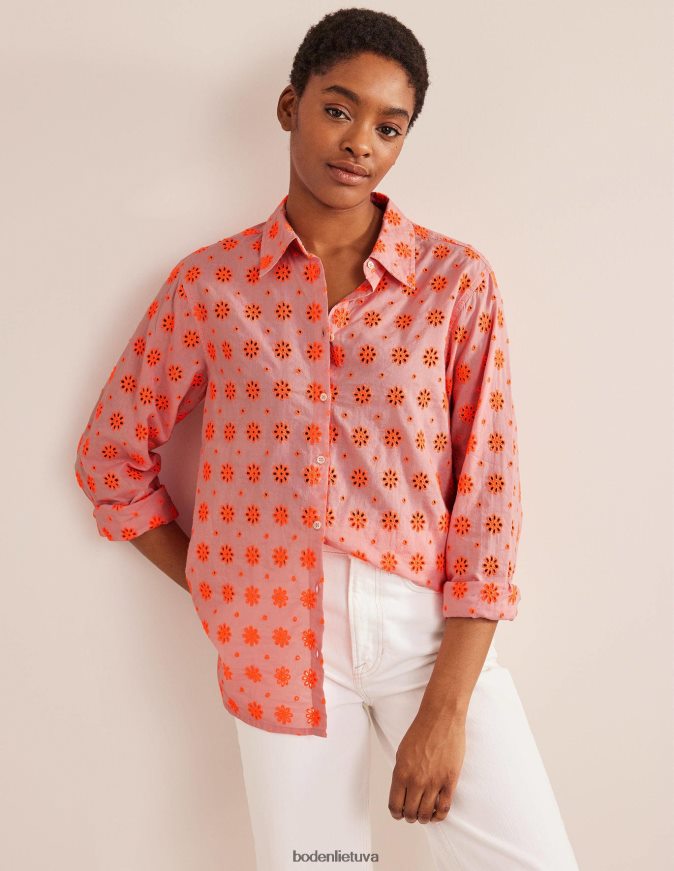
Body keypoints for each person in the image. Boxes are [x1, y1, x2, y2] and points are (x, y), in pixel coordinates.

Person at [74, 8, 580, 870]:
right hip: (275, 634)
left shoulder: (455, 282)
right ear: (290, 107)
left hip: (427, 629)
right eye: (339, 110)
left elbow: (489, 496)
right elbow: (109, 461)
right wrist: (218, 580)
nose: (359, 144)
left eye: (389, 127)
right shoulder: (212, 285)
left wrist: (447, 707)